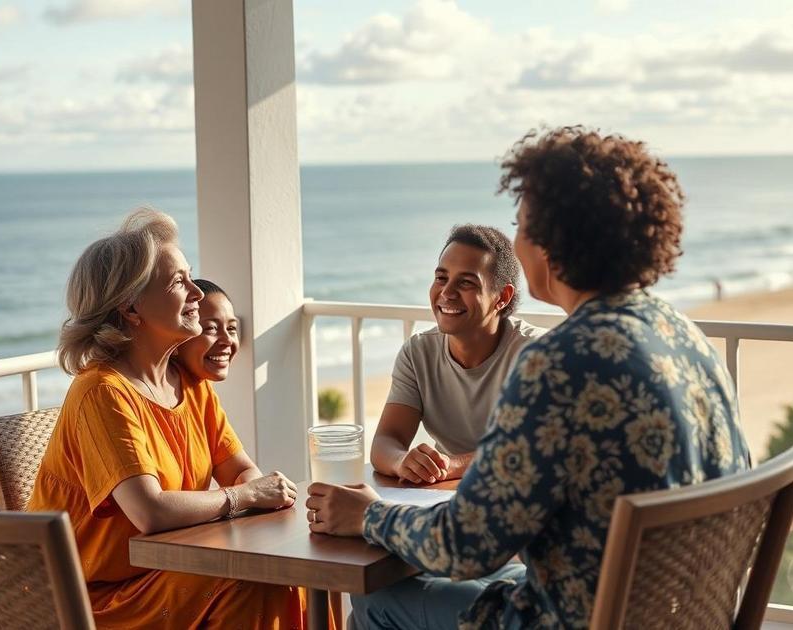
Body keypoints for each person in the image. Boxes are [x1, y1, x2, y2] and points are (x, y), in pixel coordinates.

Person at [306, 127, 751, 629]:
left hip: (578, 618)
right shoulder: (683, 335)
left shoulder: (557, 362)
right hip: (670, 611)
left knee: (376, 600)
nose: (516, 242)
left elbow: (466, 544)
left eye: (521, 225)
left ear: (550, 243)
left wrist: (366, 515)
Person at [28, 210, 307, 629]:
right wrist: (246, 497)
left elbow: (239, 468)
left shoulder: (186, 383)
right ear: (130, 307)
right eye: (179, 282)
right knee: (255, 583)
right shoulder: (102, 391)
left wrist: (259, 488)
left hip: (161, 573)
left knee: (289, 574)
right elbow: (151, 511)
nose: (197, 292)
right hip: (91, 600)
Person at [371, 224, 543, 483]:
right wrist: (401, 461)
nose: (447, 293)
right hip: (446, 494)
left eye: (466, 282)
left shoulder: (535, 354)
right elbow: (387, 439)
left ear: (502, 297)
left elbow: (529, 447)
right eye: (441, 278)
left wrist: (453, 465)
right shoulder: (418, 353)